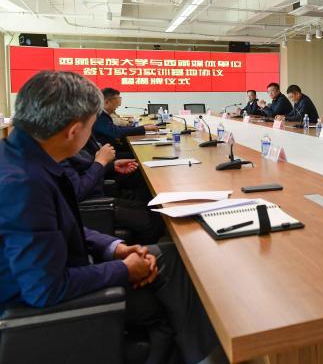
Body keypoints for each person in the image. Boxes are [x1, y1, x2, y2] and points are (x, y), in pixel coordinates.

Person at [0, 71, 224, 364]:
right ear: (73, 131)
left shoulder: (22, 157)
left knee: (172, 256)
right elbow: (45, 289)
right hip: (46, 309)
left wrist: (114, 248)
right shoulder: (24, 185)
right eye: (90, 126)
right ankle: (204, 355)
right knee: (176, 292)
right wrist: (123, 269)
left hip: (66, 265)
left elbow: (61, 227)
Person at [93, 88, 158, 150]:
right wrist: (144, 128)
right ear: (107, 102)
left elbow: (117, 128)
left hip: (113, 147)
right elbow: (117, 132)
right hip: (111, 151)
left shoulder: (102, 114)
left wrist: (141, 127)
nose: (117, 106)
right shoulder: (100, 116)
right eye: (116, 102)